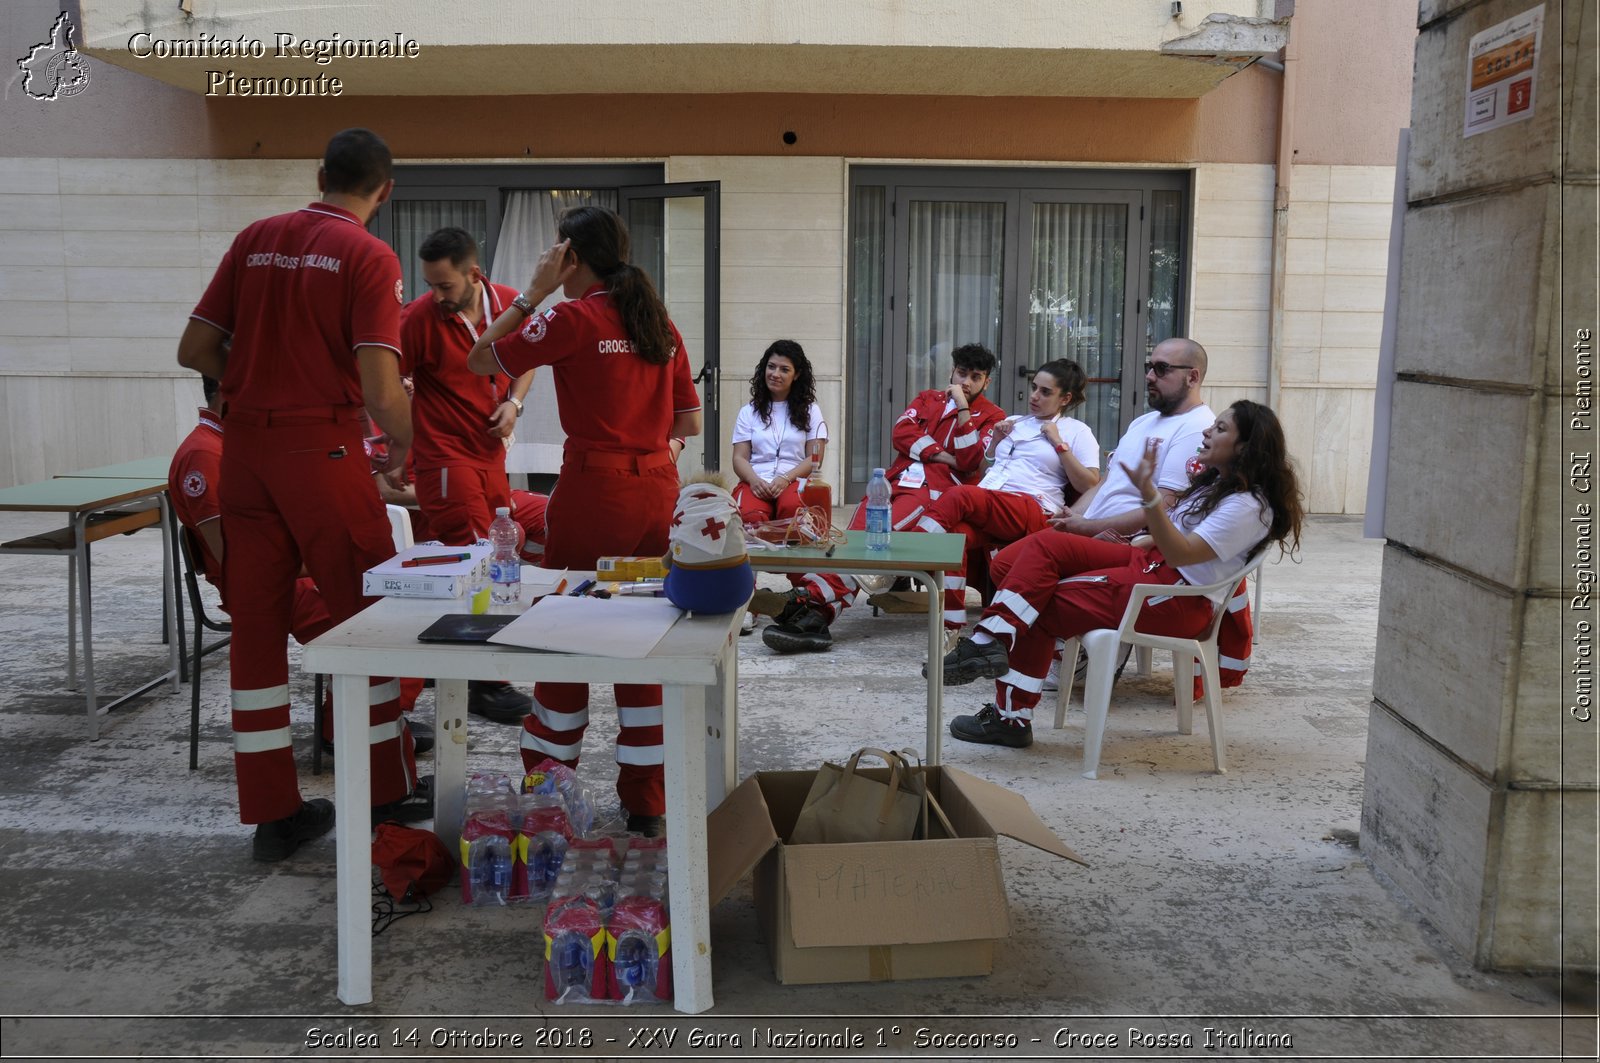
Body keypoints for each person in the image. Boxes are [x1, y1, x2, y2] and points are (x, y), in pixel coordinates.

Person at [176, 128, 426, 862]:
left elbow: (195, 349)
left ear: (320, 174)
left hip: (245, 448)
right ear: (385, 191)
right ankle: (383, 790)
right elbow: (381, 388)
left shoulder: (255, 237)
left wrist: (253, 389)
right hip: (321, 447)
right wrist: (412, 444)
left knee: (256, 628)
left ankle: (273, 814)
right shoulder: (368, 256)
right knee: (374, 616)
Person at [465, 205, 701, 838]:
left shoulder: (570, 317)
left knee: (563, 638)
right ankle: (648, 805)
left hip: (595, 492)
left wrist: (533, 292)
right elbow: (689, 423)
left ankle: (548, 793)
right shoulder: (659, 322)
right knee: (644, 640)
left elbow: (481, 361)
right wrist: (652, 460)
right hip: (657, 491)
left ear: (569, 255)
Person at [937, 399, 1304, 748]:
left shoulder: (1248, 506)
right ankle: (991, 640)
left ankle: (1009, 719)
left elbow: (1182, 553)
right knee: (1046, 545)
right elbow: (1172, 540)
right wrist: (1130, 538)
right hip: (1147, 564)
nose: (1208, 432)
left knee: (1039, 606)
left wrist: (1150, 498)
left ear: (1245, 448)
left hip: (1170, 597)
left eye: (1220, 428)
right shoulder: (1216, 485)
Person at [171, 376, 434, 758]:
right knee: (390, 630)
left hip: (292, 570)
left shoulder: (236, 443)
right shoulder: (206, 455)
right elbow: (235, 556)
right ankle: (348, 730)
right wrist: (326, 561)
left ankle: (365, 719)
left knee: (399, 608)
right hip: (272, 585)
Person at [759, 342, 1007, 654]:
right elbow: (901, 433)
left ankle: (808, 600)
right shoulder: (927, 398)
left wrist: (962, 410)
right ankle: (814, 618)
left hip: (933, 495)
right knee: (851, 542)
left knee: (873, 546)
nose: (966, 382)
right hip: (892, 483)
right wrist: (944, 455)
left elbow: (970, 459)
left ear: (987, 381)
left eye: (975, 376)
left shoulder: (992, 415)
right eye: (961, 373)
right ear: (951, 371)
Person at [400, 225, 537, 725]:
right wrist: (397, 447)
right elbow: (384, 380)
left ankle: (462, 666)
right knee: (478, 557)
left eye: (445, 286)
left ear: (473, 275)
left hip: (490, 457)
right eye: (431, 285)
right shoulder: (416, 318)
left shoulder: (507, 303)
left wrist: (515, 404)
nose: (436, 295)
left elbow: (528, 357)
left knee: (497, 555)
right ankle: (484, 683)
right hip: (443, 458)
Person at [912, 358, 1101, 632]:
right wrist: (998, 440)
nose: (1035, 396)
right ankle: (949, 625)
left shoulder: (1077, 431)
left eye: (1045, 392)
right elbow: (990, 464)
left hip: (1034, 508)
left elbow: (1090, 483)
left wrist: (1059, 444)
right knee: (953, 542)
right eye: (1034, 388)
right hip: (995, 504)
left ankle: (909, 554)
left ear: (1065, 398)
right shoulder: (1014, 421)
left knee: (960, 495)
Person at [730, 340, 827, 528]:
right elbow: (739, 458)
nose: (775, 374)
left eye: (784, 369)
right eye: (771, 367)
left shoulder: (811, 410)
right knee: (750, 517)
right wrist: (754, 481)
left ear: (796, 374)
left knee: (794, 513)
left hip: (794, 480)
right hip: (756, 479)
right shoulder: (748, 412)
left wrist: (785, 479)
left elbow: (815, 458)